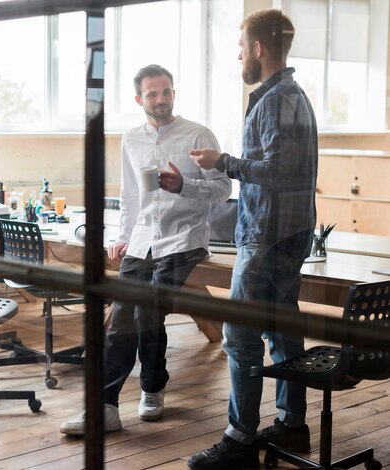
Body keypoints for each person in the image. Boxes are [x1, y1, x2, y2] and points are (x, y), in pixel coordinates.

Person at [60, 64, 231, 435]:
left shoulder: (198, 134)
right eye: (152, 93)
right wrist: (123, 235)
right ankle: (104, 407)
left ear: (174, 93)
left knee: (147, 312)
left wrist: (184, 186)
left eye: (166, 91)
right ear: (140, 99)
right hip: (141, 240)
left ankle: (152, 387)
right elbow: (130, 195)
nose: (161, 99)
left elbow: (223, 191)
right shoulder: (131, 139)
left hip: (183, 240)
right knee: (122, 316)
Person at [187, 9, 318, 469]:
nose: (238, 53)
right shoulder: (288, 96)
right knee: (283, 332)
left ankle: (240, 440)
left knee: (240, 335)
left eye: (242, 45)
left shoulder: (278, 99)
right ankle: (292, 425)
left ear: (259, 48)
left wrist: (224, 162)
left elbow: (278, 170)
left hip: (268, 236)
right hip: (285, 232)